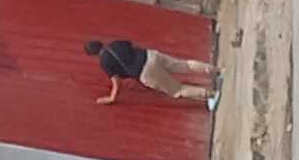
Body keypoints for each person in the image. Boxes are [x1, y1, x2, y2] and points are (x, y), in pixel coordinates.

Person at [89, 35, 217, 109]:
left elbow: (116, 82)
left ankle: (211, 95)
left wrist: (111, 98)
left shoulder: (105, 62)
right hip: (151, 55)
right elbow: (132, 46)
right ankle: (217, 71)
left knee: (178, 90)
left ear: (93, 55)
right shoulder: (116, 43)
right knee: (185, 65)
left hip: (145, 71)